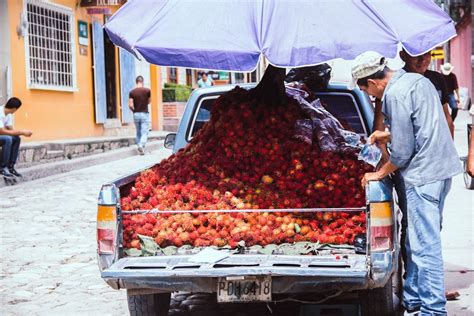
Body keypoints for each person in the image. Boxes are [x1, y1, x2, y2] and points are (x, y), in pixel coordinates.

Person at [351, 51, 463, 315]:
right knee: (425, 241)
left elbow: (403, 152)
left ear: (374, 82)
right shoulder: (417, 82)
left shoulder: (395, 95)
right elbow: (420, 126)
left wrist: (378, 174)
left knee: (425, 248)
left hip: (423, 177)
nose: (372, 96)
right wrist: (385, 134)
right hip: (440, 171)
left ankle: (433, 310)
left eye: (367, 91)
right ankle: (417, 300)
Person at [399, 49, 454, 137]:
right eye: (416, 54)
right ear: (403, 55)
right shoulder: (397, 82)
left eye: (427, 54)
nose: (423, 59)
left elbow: (446, 114)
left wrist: (450, 144)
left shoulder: (437, 78)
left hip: (436, 140)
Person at [0, 97, 33, 178]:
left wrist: (21, 133)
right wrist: (22, 132)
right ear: (15, 109)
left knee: (16, 138)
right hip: (1, 135)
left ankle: (10, 167)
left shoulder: (8, 114)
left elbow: (11, 129)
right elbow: (2, 131)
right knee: (8, 139)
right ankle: (3, 167)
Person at [129, 75, 151, 155]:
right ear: (142, 82)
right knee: (144, 131)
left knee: (138, 131)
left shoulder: (132, 92)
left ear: (136, 82)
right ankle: (141, 145)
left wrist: (134, 111)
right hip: (144, 113)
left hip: (136, 114)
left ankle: (139, 145)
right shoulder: (147, 91)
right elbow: (149, 101)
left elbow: (130, 105)